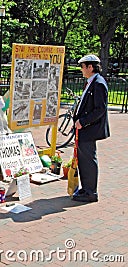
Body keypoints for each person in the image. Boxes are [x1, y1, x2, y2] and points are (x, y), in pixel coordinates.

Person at [72, 54, 110, 202]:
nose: (81, 69)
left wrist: (83, 121)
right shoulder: (91, 82)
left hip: (89, 129)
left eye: (83, 66)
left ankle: (91, 192)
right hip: (85, 129)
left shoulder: (99, 83)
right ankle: (86, 188)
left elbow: (100, 109)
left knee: (88, 160)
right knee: (83, 159)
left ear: (90, 67)